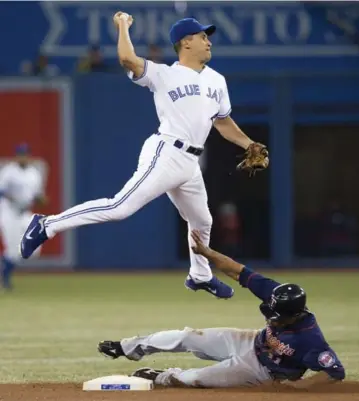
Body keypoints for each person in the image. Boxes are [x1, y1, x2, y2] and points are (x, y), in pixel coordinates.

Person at [19, 15, 269, 299]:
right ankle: (47, 224)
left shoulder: (217, 80)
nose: (208, 41)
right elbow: (128, 59)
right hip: (167, 152)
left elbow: (222, 122)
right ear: (185, 42)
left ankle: (200, 275)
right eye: (202, 37)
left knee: (202, 221)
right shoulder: (164, 74)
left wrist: (249, 144)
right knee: (120, 207)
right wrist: (123, 27)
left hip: (191, 162)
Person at [98, 230, 345, 389]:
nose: (272, 319)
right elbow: (237, 270)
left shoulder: (311, 339)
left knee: (195, 379)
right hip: (250, 341)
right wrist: (207, 253)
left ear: (295, 315)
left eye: (277, 317)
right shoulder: (276, 293)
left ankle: (161, 376)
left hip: (263, 372)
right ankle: (126, 346)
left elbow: (335, 373)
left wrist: (298, 387)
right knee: (189, 336)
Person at [0, 144, 47, 290]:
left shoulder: (34, 173)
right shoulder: (8, 171)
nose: (22, 157)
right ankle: (6, 278)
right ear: (16, 156)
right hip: (8, 212)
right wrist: (12, 197)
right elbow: (1, 190)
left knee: (35, 247)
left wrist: (41, 199)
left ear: (28, 156)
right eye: (20, 154)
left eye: (25, 154)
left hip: (25, 212)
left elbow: (37, 196)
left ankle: (4, 264)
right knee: (13, 251)